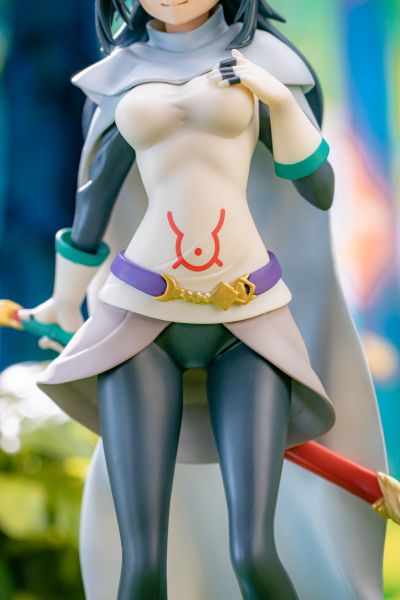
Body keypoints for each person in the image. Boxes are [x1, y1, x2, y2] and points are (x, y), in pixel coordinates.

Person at [22, 1, 387, 598]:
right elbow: (94, 204)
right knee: (141, 560)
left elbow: (319, 192)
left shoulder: (264, 67)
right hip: (139, 321)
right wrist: (64, 303)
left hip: (246, 319)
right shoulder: (120, 77)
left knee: (254, 551)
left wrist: (279, 103)